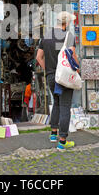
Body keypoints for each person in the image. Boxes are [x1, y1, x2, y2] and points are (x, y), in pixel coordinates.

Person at [36, 11, 79, 150]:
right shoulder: (68, 36)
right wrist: (77, 70)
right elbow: (72, 55)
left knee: (57, 103)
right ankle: (62, 141)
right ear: (66, 23)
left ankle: (53, 133)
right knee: (65, 106)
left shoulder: (46, 36)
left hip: (51, 76)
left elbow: (38, 57)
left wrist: (48, 69)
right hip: (65, 76)